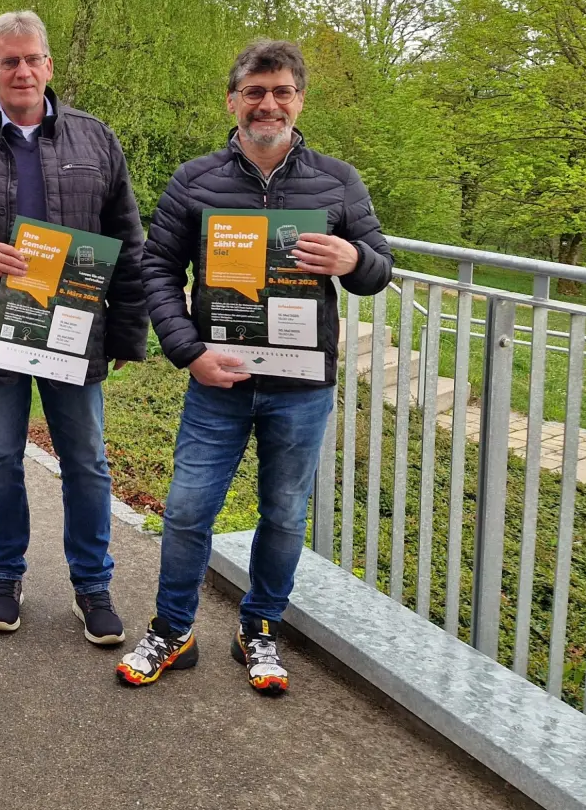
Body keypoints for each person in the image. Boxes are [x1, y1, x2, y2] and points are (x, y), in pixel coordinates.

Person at [119, 39, 393, 696]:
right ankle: (173, 629)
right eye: (255, 91)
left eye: (282, 91)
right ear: (233, 100)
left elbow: (380, 268)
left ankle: (260, 626)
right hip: (219, 379)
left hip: (300, 389)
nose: (268, 103)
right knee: (187, 510)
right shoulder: (195, 180)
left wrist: (353, 261)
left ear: (299, 100)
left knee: (283, 513)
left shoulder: (338, 180)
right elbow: (156, 268)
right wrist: (189, 351)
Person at [0, 10, 148, 646]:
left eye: (32, 58)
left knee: (87, 463)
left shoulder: (96, 140)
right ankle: (5, 578)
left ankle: (92, 586)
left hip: (74, 329)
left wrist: (126, 331)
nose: (22, 70)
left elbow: (128, 239)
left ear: (48, 65)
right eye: (8, 61)